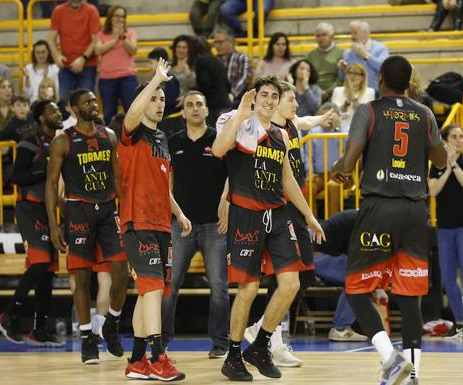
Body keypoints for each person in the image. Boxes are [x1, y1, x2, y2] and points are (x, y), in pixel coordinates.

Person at [331, 55, 448, 385]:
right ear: (409, 81)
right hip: (414, 212)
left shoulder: (369, 110)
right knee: (410, 296)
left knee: (356, 289)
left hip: (378, 209)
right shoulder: (424, 114)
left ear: (379, 77)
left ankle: (390, 359)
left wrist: (339, 169)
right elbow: (439, 158)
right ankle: (412, 376)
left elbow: (350, 161)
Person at [213, 76, 325, 381]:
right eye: (264, 94)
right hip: (246, 215)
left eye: (274, 96)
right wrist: (240, 113)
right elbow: (219, 149)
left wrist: (309, 215)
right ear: (254, 96)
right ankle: (233, 355)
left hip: (277, 214)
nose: (269, 100)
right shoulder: (235, 120)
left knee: (291, 284)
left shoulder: (281, 135)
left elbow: (287, 180)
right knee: (248, 290)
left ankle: (261, 345)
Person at [243, 81, 333, 367]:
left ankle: (261, 326)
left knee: (304, 275)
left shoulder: (291, 124)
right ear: (276, 103)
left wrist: (323, 118)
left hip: (297, 205)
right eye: (291, 100)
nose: (295, 105)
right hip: (279, 207)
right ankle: (272, 339)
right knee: (284, 275)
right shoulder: (266, 132)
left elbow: (306, 120)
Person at [45, 88, 128, 364]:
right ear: (73, 108)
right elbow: (50, 185)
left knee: (121, 274)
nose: (93, 104)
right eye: (87, 102)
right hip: (77, 210)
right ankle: (86, 339)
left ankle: (111, 323)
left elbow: (117, 179)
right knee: (81, 278)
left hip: (107, 210)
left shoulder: (109, 136)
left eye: (95, 99)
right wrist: (54, 225)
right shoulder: (63, 142)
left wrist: (125, 213)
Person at [119, 60, 190, 381]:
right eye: (153, 98)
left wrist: (178, 212)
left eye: (163, 99)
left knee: (149, 292)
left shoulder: (162, 138)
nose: (159, 103)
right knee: (153, 290)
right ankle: (158, 356)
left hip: (162, 222)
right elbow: (132, 114)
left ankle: (136, 361)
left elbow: (163, 187)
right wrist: (153, 81)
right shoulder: (131, 132)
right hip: (138, 222)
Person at [161, 90, 230, 359]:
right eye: (189, 105)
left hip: (215, 225)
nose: (195, 108)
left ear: (206, 109)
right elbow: (167, 181)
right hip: (182, 225)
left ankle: (221, 343)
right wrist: (174, 214)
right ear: (184, 111)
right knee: (170, 285)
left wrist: (226, 203)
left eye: (199, 104)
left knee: (219, 287)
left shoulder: (218, 139)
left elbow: (231, 175)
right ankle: (163, 341)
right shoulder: (174, 141)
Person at [0, 100, 65, 347]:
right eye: (52, 110)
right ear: (41, 117)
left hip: (48, 211)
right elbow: (16, 176)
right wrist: (45, 170)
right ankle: (7, 316)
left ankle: (39, 330)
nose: (58, 113)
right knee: (40, 262)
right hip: (28, 209)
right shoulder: (30, 141)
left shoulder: (59, 142)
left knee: (48, 272)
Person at [428, 124, 463, 342]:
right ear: (445, 141)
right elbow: (432, 190)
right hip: (445, 228)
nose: (459, 140)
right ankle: (459, 322)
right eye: (454, 136)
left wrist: (455, 166)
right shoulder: (436, 165)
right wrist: (447, 167)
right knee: (448, 279)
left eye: (461, 136)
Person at [312, 209, 373, 342]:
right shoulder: (366, 223)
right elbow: (358, 258)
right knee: (359, 280)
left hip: (321, 254)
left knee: (362, 277)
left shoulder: (364, 217)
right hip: (315, 256)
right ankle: (340, 329)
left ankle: (341, 328)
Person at [48, 0, 100, 104]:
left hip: (87, 66)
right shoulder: (58, 11)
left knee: (87, 102)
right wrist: (57, 55)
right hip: (66, 66)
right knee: (64, 101)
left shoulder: (91, 11)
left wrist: (83, 58)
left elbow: (95, 40)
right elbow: (51, 39)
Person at [95, 5, 138, 125]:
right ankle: (112, 141)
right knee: (109, 114)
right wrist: (114, 39)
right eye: (117, 16)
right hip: (107, 78)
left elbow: (133, 49)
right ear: (110, 17)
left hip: (127, 77)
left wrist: (123, 37)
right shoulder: (101, 34)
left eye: (123, 16)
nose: (121, 19)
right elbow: (98, 50)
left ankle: (133, 141)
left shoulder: (129, 33)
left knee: (132, 112)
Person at [304, 103, 348, 218]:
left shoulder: (346, 130)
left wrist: (337, 128)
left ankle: (332, 225)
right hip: (319, 175)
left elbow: (349, 152)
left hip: (342, 175)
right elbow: (308, 156)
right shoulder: (313, 132)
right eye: (321, 117)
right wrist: (309, 172)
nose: (325, 120)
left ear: (337, 116)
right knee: (308, 186)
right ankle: (311, 226)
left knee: (333, 186)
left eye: (328, 116)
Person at [337, 20, 389, 96]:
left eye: (355, 33)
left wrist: (365, 55)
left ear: (365, 33)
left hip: (376, 93)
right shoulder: (348, 52)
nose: (352, 36)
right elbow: (342, 77)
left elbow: (384, 68)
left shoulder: (380, 48)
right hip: (354, 93)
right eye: (351, 33)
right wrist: (342, 70)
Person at [193, 37, 232, 127]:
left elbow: (204, 85)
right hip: (225, 104)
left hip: (213, 108)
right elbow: (228, 84)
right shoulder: (216, 60)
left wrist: (193, 92)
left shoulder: (200, 61)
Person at [306, 22, 344, 102]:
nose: (320, 38)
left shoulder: (340, 53)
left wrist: (328, 92)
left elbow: (342, 78)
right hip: (313, 92)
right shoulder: (310, 55)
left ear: (332, 36)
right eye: (318, 36)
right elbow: (306, 78)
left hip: (334, 93)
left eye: (324, 35)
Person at [213, 28, 250, 107]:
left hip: (236, 98)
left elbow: (244, 79)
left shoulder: (241, 58)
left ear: (231, 42)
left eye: (220, 42)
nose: (216, 46)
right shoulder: (214, 59)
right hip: (217, 98)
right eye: (215, 42)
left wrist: (231, 94)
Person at [330, 63, 374, 129]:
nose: (352, 76)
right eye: (349, 73)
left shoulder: (369, 92)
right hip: (340, 129)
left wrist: (352, 93)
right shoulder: (337, 90)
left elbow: (363, 114)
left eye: (356, 73)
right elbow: (336, 114)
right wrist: (346, 103)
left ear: (362, 77)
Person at [23, 40, 60, 104]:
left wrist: (45, 78)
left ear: (48, 52)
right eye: (37, 52)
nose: (40, 55)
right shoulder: (28, 69)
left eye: (43, 52)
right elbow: (26, 95)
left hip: (50, 103)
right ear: (34, 54)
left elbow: (56, 92)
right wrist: (27, 79)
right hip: (33, 104)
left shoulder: (55, 68)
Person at [170, 35, 197, 101]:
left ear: (189, 49)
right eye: (178, 47)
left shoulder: (194, 67)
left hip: (190, 101)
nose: (181, 50)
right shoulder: (169, 68)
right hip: (172, 103)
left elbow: (195, 86)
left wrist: (188, 74)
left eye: (184, 47)